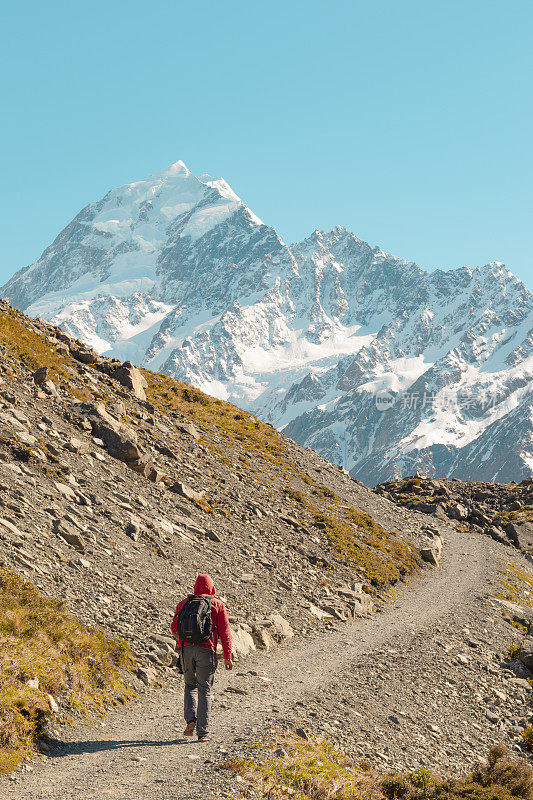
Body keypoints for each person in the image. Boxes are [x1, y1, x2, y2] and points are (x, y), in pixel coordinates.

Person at [171, 573, 232, 742]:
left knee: (190, 686)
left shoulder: (184, 603)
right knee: (204, 690)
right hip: (207, 651)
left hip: (186, 651)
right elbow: (225, 632)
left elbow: (173, 627)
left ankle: (190, 720)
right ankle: (203, 733)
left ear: (196, 587)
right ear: (211, 587)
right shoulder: (217, 604)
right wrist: (227, 656)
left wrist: (183, 642)